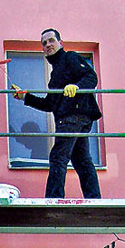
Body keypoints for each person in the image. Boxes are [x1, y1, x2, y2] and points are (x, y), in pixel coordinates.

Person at [12, 28, 102, 199]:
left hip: (73, 115)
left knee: (58, 156)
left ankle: (53, 199)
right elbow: (49, 104)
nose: (48, 45)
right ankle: (94, 198)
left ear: (61, 43)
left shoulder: (70, 58)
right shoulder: (55, 76)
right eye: (44, 43)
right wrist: (25, 97)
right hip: (75, 117)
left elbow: (91, 77)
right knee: (81, 160)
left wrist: (77, 87)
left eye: (51, 40)